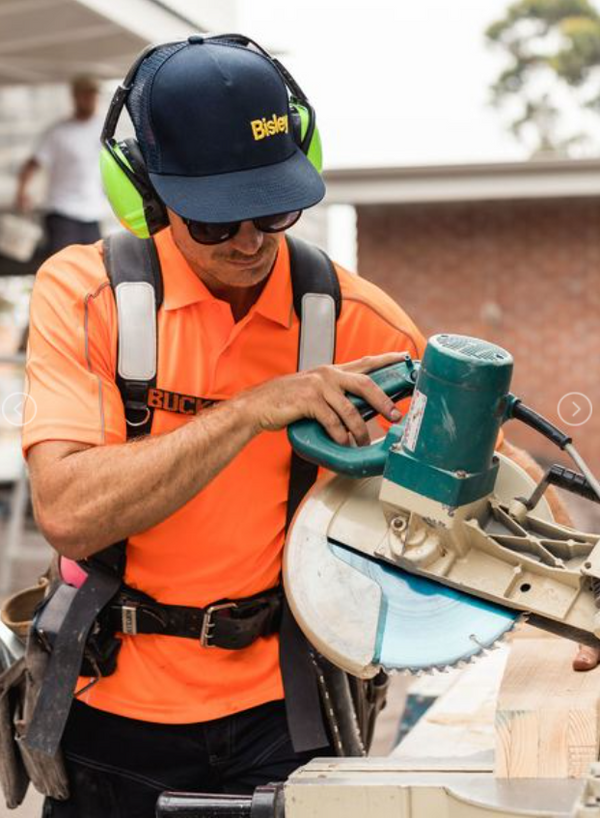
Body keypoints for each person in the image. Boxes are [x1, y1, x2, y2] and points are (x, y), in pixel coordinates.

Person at [20, 36, 579, 818]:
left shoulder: (353, 318)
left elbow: (496, 471)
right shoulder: (88, 297)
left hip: (281, 713)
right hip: (106, 711)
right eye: (215, 223)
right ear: (146, 192)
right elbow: (69, 511)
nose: (249, 242)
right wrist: (254, 410)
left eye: (272, 209)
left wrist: (575, 607)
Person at [14, 74, 106, 256]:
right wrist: (22, 192)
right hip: (62, 212)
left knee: (95, 268)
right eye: (86, 94)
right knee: (64, 267)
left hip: (93, 212)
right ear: (75, 97)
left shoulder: (103, 129)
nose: (91, 99)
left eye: (93, 95)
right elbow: (32, 164)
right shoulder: (58, 132)